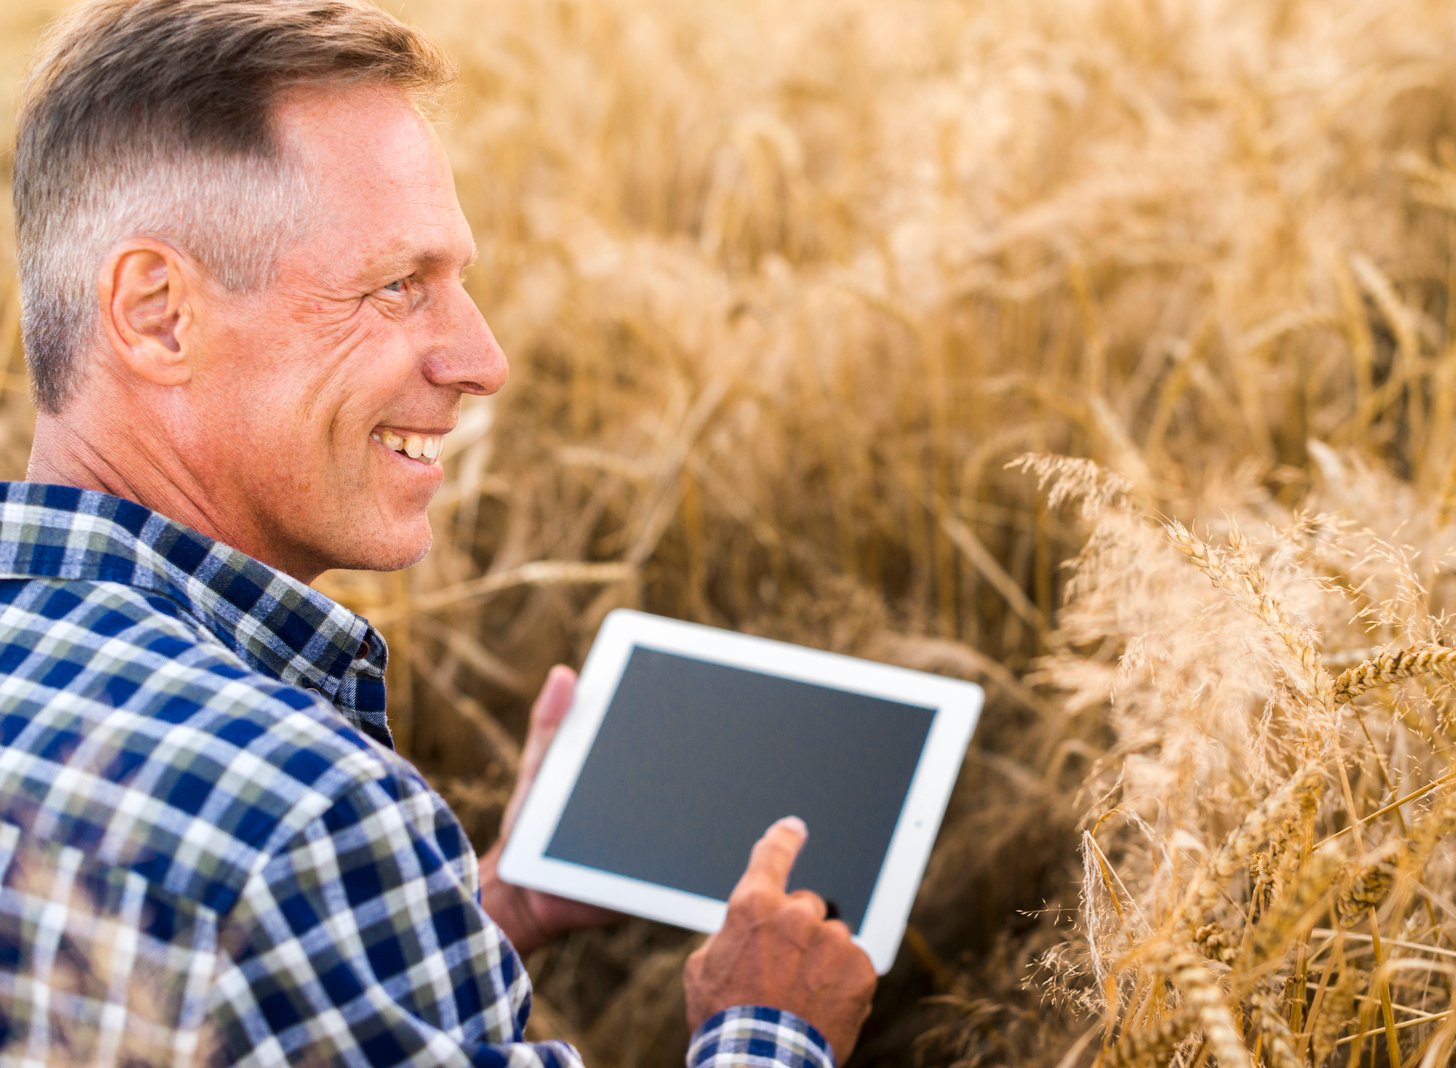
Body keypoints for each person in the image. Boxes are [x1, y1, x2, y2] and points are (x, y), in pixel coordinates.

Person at [0, 0, 877, 1065]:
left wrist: (475, 912)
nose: (481, 359)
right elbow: (259, 882)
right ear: (158, 314)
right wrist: (768, 1023)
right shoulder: (304, 821)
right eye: (396, 287)